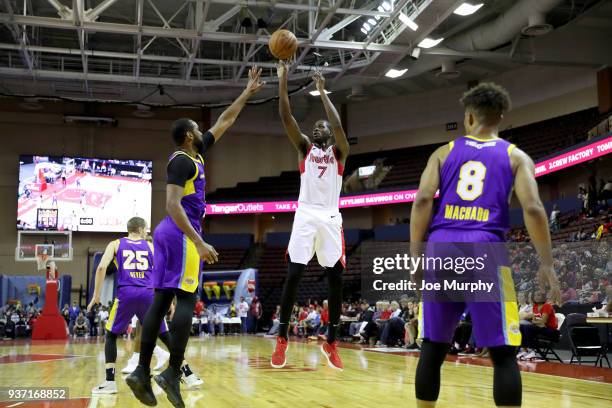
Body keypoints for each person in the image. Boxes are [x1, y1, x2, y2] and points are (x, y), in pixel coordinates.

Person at [410, 83, 560, 408]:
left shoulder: (444, 152)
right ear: (501, 117)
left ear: (468, 117)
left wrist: (415, 257)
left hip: (441, 245)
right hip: (486, 247)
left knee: (433, 347)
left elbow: (422, 200)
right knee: (503, 353)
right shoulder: (515, 155)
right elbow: (533, 208)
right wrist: (547, 263)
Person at [126, 67, 264, 408]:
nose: (204, 131)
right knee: (186, 300)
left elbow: (225, 122)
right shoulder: (182, 162)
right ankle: (171, 372)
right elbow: (172, 204)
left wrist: (247, 91)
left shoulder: (196, 156)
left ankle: (142, 371)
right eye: (198, 129)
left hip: (168, 234)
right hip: (180, 232)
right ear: (189, 135)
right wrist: (198, 241)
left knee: (161, 300)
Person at [271, 63, 350, 371]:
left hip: (330, 217)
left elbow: (340, 127)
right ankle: (282, 338)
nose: (318, 129)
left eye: (323, 127)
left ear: (330, 135)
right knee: (294, 274)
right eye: (315, 127)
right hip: (305, 214)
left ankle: (332, 341)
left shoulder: (339, 153)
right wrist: (283, 80)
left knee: (336, 279)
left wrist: (321, 91)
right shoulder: (304, 148)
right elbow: (285, 117)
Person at [87, 217, 172, 394]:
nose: (147, 232)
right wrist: (168, 299)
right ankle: (184, 370)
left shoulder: (115, 244)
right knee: (163, 333)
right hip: (148, 293)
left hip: (126, 293)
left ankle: (110, 381)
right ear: (140, 229)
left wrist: (96, 295)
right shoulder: (150, 246)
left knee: (111, 335)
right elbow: (163, 272)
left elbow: (102, 267)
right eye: (146, 229)